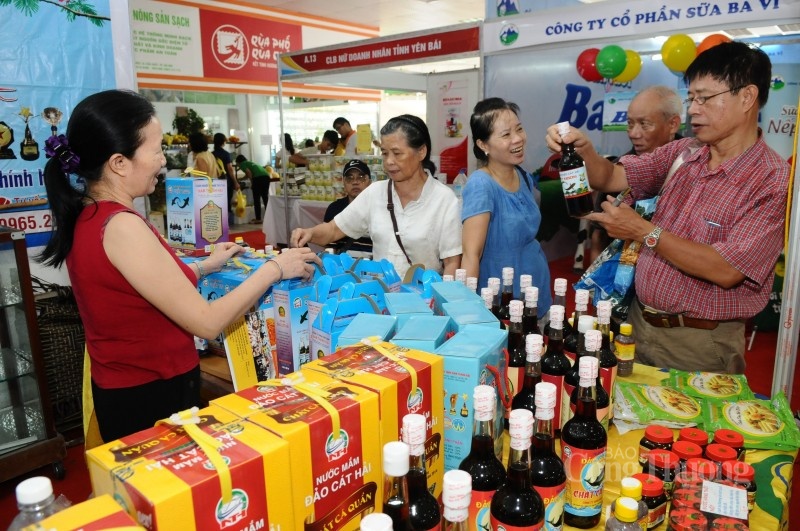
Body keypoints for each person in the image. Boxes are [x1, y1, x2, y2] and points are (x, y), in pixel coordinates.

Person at [38, 89, 320, 442]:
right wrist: (275, 269)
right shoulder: (122, 226)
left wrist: (207, 266)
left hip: (130, 386)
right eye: (155, 151)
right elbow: (206, 321)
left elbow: (142, 289)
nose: (162, 162)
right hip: (150, 395)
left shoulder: (91, 214)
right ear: (119, 163)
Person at [545, 41, 789, 374]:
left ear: (746, 97)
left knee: (688, 424)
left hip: (700, 344)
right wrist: (583, 150)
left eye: (705, 98)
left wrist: (644, 231)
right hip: (637, 324)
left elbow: (727, 270)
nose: (693, 110)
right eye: (691, 98)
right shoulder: (685, 152)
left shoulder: (771, 179)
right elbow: (612, 175)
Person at [291, 114, 462, 278]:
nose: (388, 161)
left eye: (397, 153)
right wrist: (309, 233)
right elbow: (334, 230)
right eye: (385, 153)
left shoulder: (444, 200)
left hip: (423, 301)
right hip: (380, 298)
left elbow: (452, 263)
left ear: (421, 152)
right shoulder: (375, 193)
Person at [461, 98, 551, 318]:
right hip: (500, 299)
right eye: (506, 134)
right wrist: (465, 309)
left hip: (536, 289)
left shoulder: (524, 176)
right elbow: (471, 254)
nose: (518, 138)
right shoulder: (481, 185)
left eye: (519, 129)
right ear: (483, 145)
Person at [589, 86, 684, 261]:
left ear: (673, 124)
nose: (633, 133)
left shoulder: (693, 165)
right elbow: (598, 237)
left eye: (644, 124)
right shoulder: (619, 170)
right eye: (630, 123)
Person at [323, 159, 373, 254]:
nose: (355, 182)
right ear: (344, 183)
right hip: (343, 266)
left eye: (361, 177)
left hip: (373, 265)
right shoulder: (334, 209)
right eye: (350, 178)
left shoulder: (379, 208)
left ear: (369, 182)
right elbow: (330, 249)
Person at [213, 133, 240, 223]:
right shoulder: (226, 154)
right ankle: (228, 222)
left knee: (217, 201)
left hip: (215, 181)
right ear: (223, 142)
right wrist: (235, 182)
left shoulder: (211, 154)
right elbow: (230, 169)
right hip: (226, 181)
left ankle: (218, 221)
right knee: (227, 201)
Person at [236, 154, 270, 224]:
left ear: (238, 162)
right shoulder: (249, 163)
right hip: (266, 177)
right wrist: (241, 178)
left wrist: (252, 183)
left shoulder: (242, 164)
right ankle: (269, 217)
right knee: (265, 197)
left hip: (258, 178)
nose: (238, 166)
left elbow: (249, 173)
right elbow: (249, 173)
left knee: (256, 198)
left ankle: (258, 218)